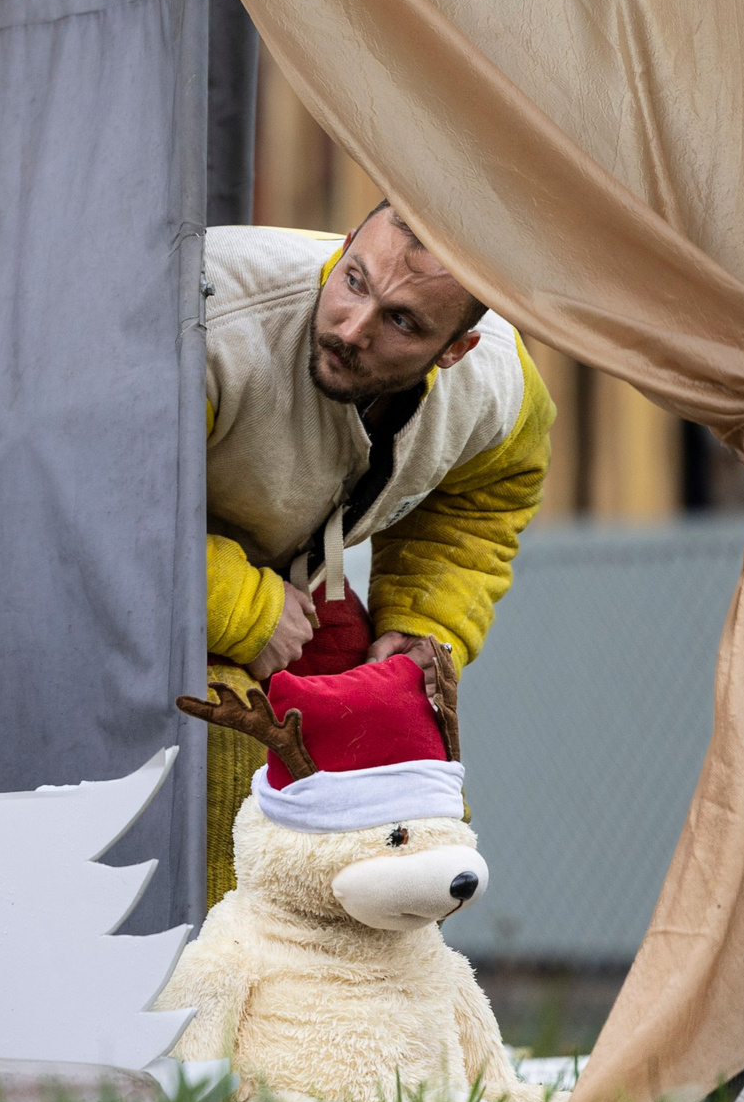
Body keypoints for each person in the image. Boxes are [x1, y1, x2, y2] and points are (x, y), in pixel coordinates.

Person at [199, 203, 552, 901]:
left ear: (456, 350)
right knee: (228, 734)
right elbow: (92, 506)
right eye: (354, 280)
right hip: (131, 570)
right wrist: (241, 608)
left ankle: (377, 1000)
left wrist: (425, 627)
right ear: (346, 244)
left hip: (288, 578)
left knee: (404, 755)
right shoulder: (208, 321)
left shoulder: (497, 388)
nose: (352, 328)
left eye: (402, 321)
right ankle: (210, 984)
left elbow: (487, 493)